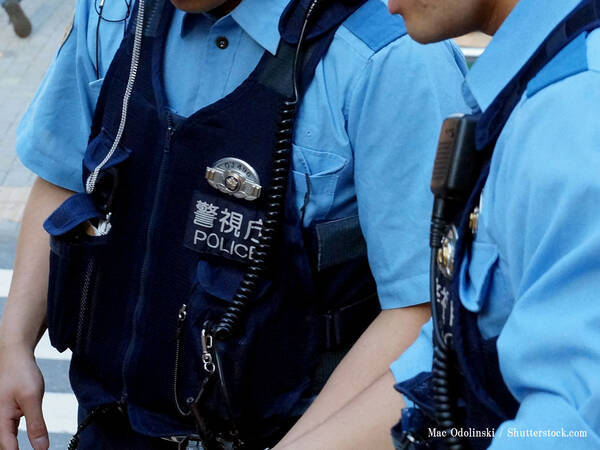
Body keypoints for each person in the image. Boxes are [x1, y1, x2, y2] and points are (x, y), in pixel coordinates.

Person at [0, 0, 467, 449]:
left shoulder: (392, 53)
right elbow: (64, 173)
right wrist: (15, 342)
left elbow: (421, 310)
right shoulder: (114, 12)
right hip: (108, 425)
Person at [382, 0, 600, 448]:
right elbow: (441, 361)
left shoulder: (574, 108)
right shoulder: (540, 86)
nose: (388, 5)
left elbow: (569, 428)